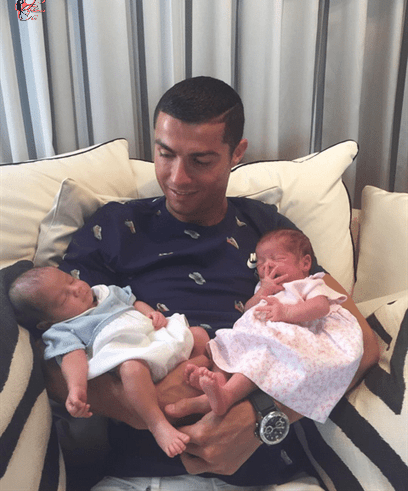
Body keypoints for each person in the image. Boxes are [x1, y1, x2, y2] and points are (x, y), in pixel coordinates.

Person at [42, 76, 379, 490]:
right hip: (140, 477)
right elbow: (52, 355)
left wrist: (260, 416)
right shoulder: (113, 227)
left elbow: (362, 343)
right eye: (165, 154)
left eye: (200, 160)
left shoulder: (268, 230)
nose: (177, 178)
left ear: (237, 152)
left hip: (265, 478)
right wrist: (145, 406)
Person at [9, 266, 209, 457]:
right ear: (48, 322)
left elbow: (134, 302)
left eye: (71, 280)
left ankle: (198, 372)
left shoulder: (106, 292)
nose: (76, 289)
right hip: (133, 355)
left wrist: (151, 313)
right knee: (131, 370)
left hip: (157, 338)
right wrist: (77, 388)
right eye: (64, 298)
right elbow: (72, 357)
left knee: (198, 334)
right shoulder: (64, 329)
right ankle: (157, 424)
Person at [184, 228, 363, 423]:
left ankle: (228, 395)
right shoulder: (264, 288)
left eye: (277, 259)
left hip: (299, 334)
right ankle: (217, 383)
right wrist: (263, 291)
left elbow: (320, 307)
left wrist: (287, 313)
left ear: (305, 263)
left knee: (261, 356)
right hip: (259, 333)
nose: (267, 265)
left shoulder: (309, 283)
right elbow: (248, 310)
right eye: (261, 263)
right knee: (227, 342)